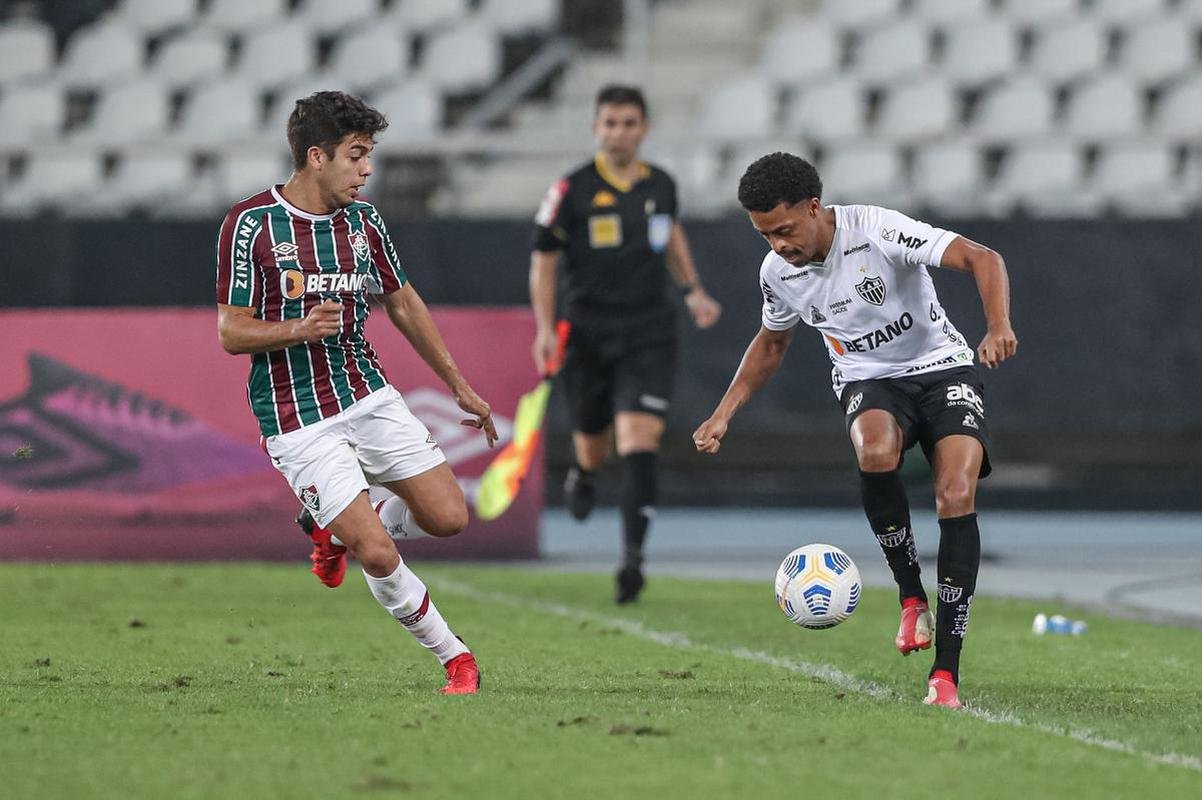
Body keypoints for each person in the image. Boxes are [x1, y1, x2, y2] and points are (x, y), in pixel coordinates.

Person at [692, 153, 1017, 709]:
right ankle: (912, 596)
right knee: (874, 449)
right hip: (869, 380)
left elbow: (983, 258)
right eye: (764, 235)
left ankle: (946, 674)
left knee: (957, 493)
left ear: (814, 208)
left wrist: (998, 325)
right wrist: (725, 411)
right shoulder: (778, 274)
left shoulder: (879, 230)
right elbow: (771, 344)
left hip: (943, 368)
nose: (778, 246)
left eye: (785, 230)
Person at [216, 91, 498, 695]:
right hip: (296, 415)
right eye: (356, 155)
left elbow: (401, 301)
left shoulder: (364, 222)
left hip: (365, 393)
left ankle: (333, 525)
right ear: (317, 157)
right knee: (374, 551)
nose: (366, 169)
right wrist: (296, 326)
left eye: (368, 155)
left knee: (448, 518)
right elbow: (231, 331)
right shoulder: (252, 224)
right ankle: (457, 659)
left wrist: (459, 385)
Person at [530, 84, 722, 604]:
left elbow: (672, 236)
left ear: (644, 129)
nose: (619, 133)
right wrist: (546, 328)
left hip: (649, 330)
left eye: (629, 123)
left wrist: (693, 291)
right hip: (588, 330)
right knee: (593, 439)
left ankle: (632, 560)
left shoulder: (661, 185)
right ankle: (585, 473)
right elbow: (544, 261)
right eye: (610, 123)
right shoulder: (570, 190)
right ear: (597, 127)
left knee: (639, 441)